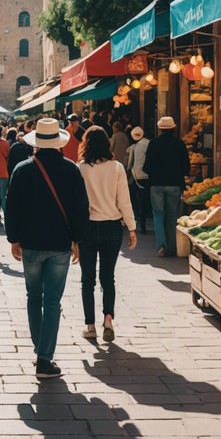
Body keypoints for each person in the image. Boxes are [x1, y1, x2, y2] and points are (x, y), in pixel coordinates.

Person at [5, 118, 89, 379]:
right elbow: (80, 209)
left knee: (34, 296)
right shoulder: (71, 170)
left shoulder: (21, 169)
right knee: (52, 300)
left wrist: (13, 238)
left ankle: (39, 349)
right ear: (58, 143)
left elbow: (12, 207)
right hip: (59, 244)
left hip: (30, 243)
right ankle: (44, 357)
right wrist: (76, 239)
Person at [76, 126, 137, 343]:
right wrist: (131, 227)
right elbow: (124, 200)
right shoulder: (117, 167)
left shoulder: (80, 168)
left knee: (87, 279)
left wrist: (73, 235)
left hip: (88, 227)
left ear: (86, 144)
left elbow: (77, 204)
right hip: (112, 226)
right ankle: (108, 319)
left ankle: (90, 325)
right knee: (108, 277)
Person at [144, 116, 190, 257]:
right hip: (174, 184)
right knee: (171, 215)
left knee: (158, 214)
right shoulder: (180, 144)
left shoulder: (154, 143)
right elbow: (186, 167)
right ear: (174, 128)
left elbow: (146, 167)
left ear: (160, 129)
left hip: (156, 184)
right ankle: (172, 246)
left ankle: (161, 246)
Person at [127, 126, 151, 234]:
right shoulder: (150, 144)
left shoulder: (133, 147)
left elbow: (130, 164)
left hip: (138, 177)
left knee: (141, 201)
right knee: (149, 199)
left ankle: (142, 225)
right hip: (150, 175)